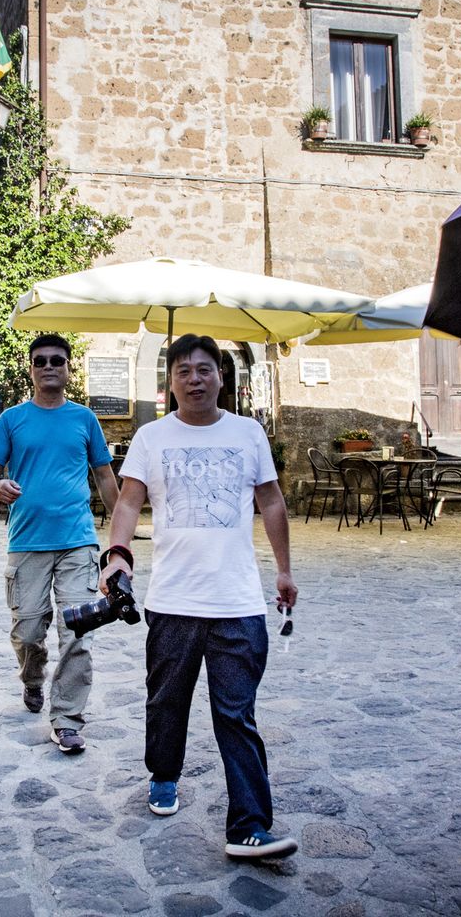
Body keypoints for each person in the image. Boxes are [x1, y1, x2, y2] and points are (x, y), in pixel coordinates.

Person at [100, 333, 299, 860]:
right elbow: (128, 503)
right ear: (170, 381)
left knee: (236, 714)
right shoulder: (151, 437)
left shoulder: (248, 433)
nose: (194, 379)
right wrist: (117, 554)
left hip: (237, 602)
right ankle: (164, 775)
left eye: (204, 369)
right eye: (183, 370)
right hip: (173, 601)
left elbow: (271, 502)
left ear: (220, 377)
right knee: (167, 701)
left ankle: (249, 826)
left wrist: (283, 570)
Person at [0, 333, 120, 753]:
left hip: (78, 542)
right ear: (31, 369)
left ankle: (67, 719)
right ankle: (32, 678)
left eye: (56, 360)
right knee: (27, 632)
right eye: (40, 361)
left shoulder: (84, 419)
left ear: (68, 368)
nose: (48, 367)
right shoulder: (12, 419)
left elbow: (105, 477)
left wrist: (121, 536)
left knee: (78, 632)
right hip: (26, 541)